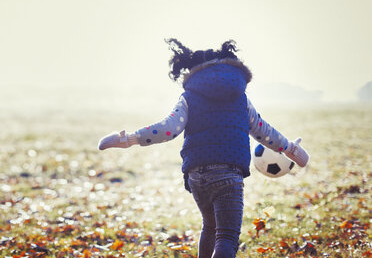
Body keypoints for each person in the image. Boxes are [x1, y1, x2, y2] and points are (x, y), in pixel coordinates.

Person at [97, 39, 309, 258]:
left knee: (210, 226)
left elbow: (168, 129)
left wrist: (129, 139)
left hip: (197, 177)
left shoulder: (189, 97)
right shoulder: (240, 99)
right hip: (228, 174)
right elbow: (264, 131)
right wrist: (289, 148)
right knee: (226, 236)